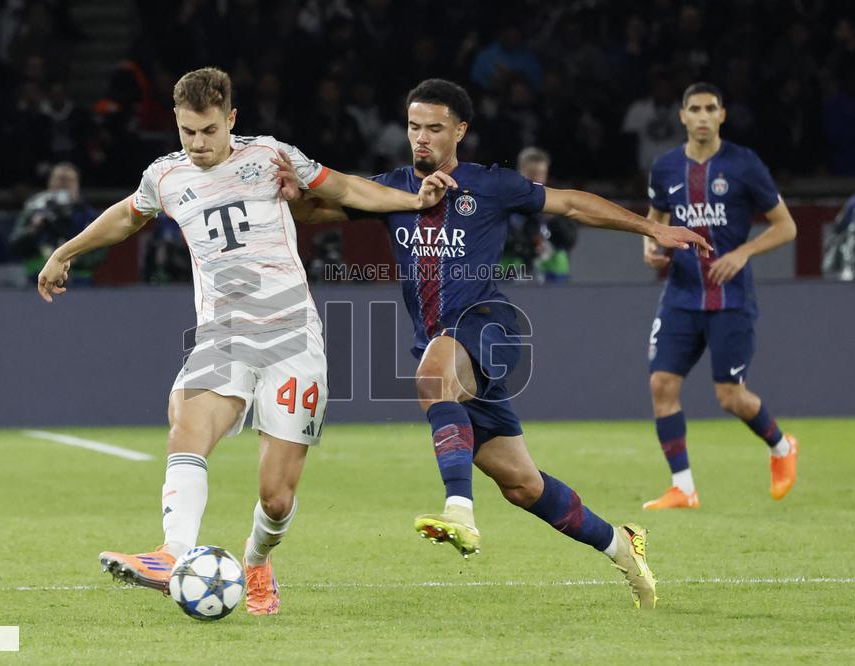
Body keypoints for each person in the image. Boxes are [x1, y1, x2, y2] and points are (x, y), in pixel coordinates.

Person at [35, 67, 455, 616]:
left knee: (276, 497)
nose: (198, 143)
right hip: (223, 335)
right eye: (188, 131)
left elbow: (347, 189)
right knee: (187, 422)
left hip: (291, 336)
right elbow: (126, 216)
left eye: (209, 130)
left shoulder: (271, 156)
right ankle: (172, 552)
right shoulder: (165, 176)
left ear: (231, 119)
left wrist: (415, 202)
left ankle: (257, 559)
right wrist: (65, 252)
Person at [280, 78, 711, 609]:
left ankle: (459, 511)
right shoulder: (392, 190)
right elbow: (311, 211)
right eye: (413, 127)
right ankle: (621, 545)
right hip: (441, 345)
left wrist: (651, 228)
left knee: (432, 376)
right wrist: (286, 193)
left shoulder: (490, 185)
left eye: (434, 128)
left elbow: (571, 205)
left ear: (460, 131)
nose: (421, 138)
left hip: (488, 325)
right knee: (522, 485)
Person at [641, 82, 799, 510]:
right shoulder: (665, 167)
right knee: (661, 383)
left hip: (730, 299)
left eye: (711, 108)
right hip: (681, 295)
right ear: (682, 116)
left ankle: (782, 446)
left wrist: (744, 252)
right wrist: (650, 247)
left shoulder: (744, 164)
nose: (703, 116)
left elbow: (786, 226)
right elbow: (654, 221)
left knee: (729, 396)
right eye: (695, 109)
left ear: (722, 115)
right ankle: (683, 487)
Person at [9, 163, 102, 283]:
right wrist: (33, 229)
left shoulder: (88, 215)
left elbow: (100, 252)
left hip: (78, 280)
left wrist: (76, 259)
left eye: (69, 180)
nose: (64, 184)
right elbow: (14, 246)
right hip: (38, 277)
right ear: (50, 183)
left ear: (77, 184)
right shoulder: (34, 209)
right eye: (59, 179)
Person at [502, 147, 578, 282]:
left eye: (541, 174)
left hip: (553, 275)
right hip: (511, 275)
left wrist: (553, 219)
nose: (537, 178)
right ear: (520, 172)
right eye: (532, 173)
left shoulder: (558, 203)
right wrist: (522, 245)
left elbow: (570, 239)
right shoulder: (504, 203)